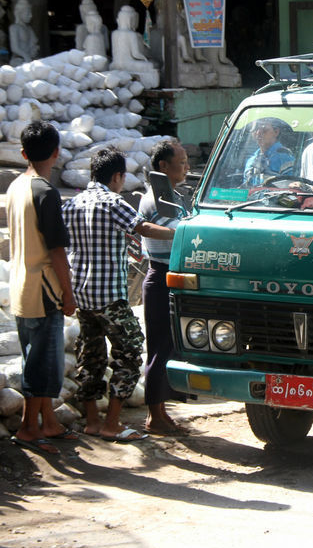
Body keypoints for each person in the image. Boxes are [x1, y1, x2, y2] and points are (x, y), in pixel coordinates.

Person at [62, 148, 175, 442]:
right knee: (130, 354)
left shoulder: (72, 204)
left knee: (90, 358)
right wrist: (180, 232)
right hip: (110, 298)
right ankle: (112, 424)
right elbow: (144, 228)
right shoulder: (113, 202)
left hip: (82, 297)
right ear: (117, 176)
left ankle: (91, 422)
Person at [6, 121, 77, 455]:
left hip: (21, 287)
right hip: (45, 289)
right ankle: (28, 428)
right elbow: (57, 252)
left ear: (23, 154)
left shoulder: (17, 187)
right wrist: (69, 292)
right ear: (56, 153)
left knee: (31, 357)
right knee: (41, 365)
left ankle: (48, 422)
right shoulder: (45, 193)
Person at [140, 140, 190, 435]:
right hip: (161, 277)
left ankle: (161, 412)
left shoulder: (173, 197)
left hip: (171, 276)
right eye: (181, 162)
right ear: (163, 166)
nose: (186, 167)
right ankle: (154, 416)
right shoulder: (154, 200)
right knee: (159, 347)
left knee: (170, 345)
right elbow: (172, 233)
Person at [242, 117, 295, 186]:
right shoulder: (251, 161)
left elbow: (289, 188)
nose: (258, 133)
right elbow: (245, 188)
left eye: (264, 130)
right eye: (255, 130)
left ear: (276, 132)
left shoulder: (285, 158)